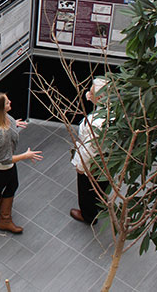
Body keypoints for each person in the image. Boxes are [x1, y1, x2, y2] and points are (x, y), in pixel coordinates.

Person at [0, 92, 43, 233]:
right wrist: (25, 155)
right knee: (11, 186)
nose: (10, 102)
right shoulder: (2, 133)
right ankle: (5, 220)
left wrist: (14, 125)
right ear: (1, 109)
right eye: (6, 102)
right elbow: (6, 159)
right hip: (2, 165)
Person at [70, 79, 110, 224]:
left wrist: (81, 166)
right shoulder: (115, 112)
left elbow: (89, 148)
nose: (88, 94)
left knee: (86, 186)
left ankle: (88, 215)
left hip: (93, 160)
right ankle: (101, 203)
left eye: (91, 92)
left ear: (99, 98)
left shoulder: (95, 122)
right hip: (108, 158)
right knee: (102, 183)